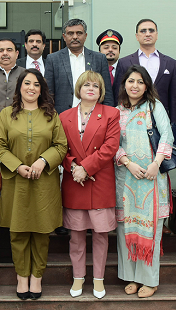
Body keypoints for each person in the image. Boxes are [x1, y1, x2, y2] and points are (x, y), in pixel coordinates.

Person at [0, 69, 68, 300]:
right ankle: (21, 276)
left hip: (44, 182)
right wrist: (17, 166)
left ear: (42, 89)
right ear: (20, 87)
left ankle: (37, 276)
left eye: (36, 84)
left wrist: (43, 161)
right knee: (18, 232)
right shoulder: (6, 114)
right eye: (27, 83)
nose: (31, 88)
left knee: (42, 231)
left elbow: (61, 146)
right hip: (16, 182)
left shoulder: (51, 115)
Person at [114, 65, 174, 299]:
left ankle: (149, 280)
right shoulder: (117, 111)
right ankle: (130, 276)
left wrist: (155, 164)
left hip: (151, 177)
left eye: (140, 81)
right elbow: (112, 143)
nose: (135, 85)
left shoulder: (154, 106)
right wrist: (128, 163)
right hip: (127, 177)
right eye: (131, 81)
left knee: (151, 229)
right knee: (125, 228)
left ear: (146, 85)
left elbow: (167, 135)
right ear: (124, 84)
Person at [59, 70, 118, 299]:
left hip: (99, 180)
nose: (91, 88)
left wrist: (86, 168)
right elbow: (60, 147)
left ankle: (99, 279)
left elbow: (110, 147)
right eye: (86, 85)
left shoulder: (111, 114)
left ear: (101, 90)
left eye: (96, 85)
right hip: (75, 181)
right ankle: (78, 277)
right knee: (76, 234)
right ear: (79, 89)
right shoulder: (64, 116)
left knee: (101, 234)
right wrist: (74, 167)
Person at [115, 19, 176, 126]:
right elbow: (118, 95)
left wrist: (175, 128)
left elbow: (174, 100)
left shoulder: (170, 63)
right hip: (131, 121)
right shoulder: (124, 63)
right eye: (143, 31)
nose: (148, 34)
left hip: (162, 122)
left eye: (151, 30)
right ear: (137, 36)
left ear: (157, 35)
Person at [45, 19, 114, 113]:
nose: (75, 37)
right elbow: (48, 93)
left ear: (85, 36)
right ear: (64, 37)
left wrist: (107, 115)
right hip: (62, 116)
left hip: (94, 115)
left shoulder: (99, 59)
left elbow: (107, 92)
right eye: (70, 33)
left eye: (79, 33)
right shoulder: (53, 59)